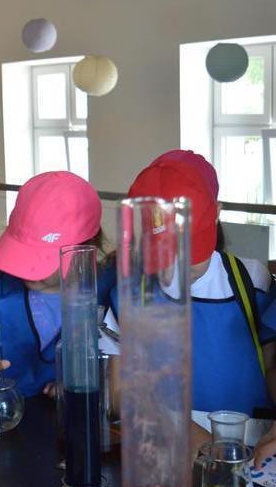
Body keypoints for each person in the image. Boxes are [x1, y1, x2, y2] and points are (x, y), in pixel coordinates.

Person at [104, 156, 276, 443]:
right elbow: (120, 393)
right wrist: (193, 438)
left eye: (190, 252)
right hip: (169, 444)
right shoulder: (129, 296)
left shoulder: (251, 281)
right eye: (168, 255)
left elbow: (271, 364)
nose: (179, 269)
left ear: (217, 213)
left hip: (252, 443)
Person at [0, 171, 107, 398]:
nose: (28, 271)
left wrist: (79, 385)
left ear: (85, 247)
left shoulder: (103, 293)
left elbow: (121, 375)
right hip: (4, 415)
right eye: (23, 255)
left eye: (41, 258)